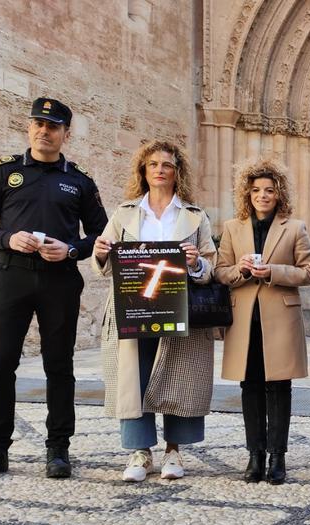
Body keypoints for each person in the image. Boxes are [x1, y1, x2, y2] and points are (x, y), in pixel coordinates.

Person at [0, 97, 108, 480]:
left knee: (59, 367)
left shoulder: (80, 181)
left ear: (65, 133)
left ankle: (58, 449)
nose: (44, 131)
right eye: (38, 124)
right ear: (29, 128)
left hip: (60, 281)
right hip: (12, 276)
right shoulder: (4, 172)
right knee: (0, 365)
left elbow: (102, 235)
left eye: (53, 126)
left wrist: (72, 248)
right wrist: (7, 238)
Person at [91, 141, 216, 482]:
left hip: (179, 306)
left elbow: (211, 266)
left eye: (168, 165)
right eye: (153, 164)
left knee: (179, 375)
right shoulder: (123, 214)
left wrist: (195, 262)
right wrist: (101, 252)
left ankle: (174, 450)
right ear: (143, 172)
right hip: (134, 306)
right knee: (135, 376)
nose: (160, 169)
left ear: (178, 173)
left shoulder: (194, 216)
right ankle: (140, 452)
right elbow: (102, 264)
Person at [215, 158, 310, 485]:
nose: (262, 195)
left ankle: (277, 457)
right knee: (250, 386)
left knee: (279, 387)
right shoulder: (232, 228)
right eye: (256, 190)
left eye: (269, 190)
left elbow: (307, 274)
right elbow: (220, 272)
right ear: (247, 193)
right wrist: (241, 270)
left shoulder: (295, 227)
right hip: (244, 318)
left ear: (278, 193)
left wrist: (273, 271)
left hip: (280, 317)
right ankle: (254, 455)